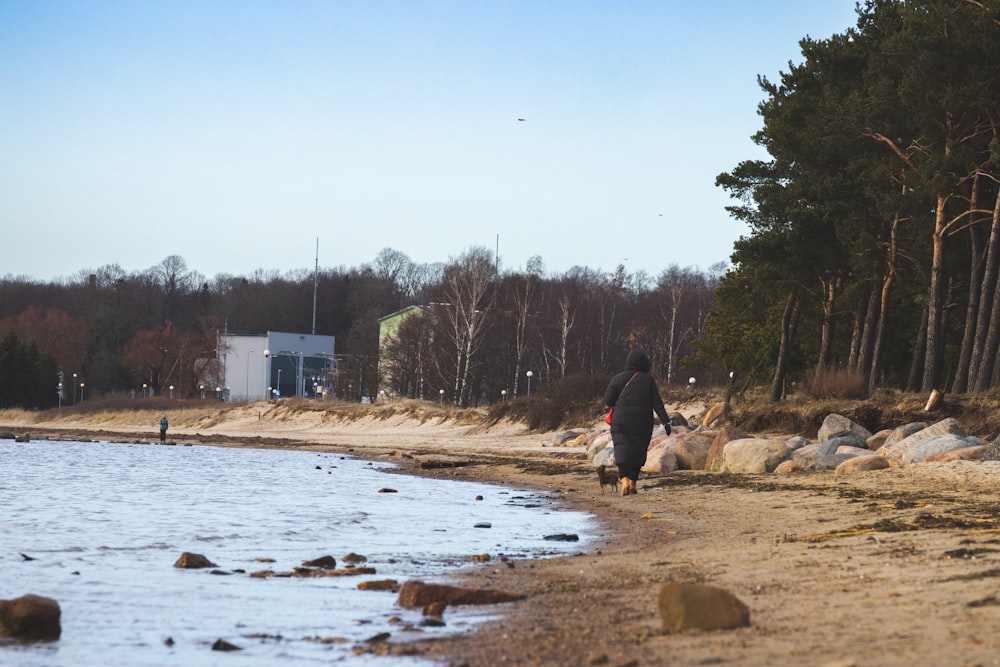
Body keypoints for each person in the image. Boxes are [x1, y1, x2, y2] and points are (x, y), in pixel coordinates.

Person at [603, 350, 671, 496]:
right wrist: (666, 422)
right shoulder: (648, 380)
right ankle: (633, 482)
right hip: (642, 421)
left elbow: (608, 400)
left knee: (621, 449)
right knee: (638, 451)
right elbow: (657, 404)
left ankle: (625, 479)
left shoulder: (618, 378)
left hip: (620, 420)